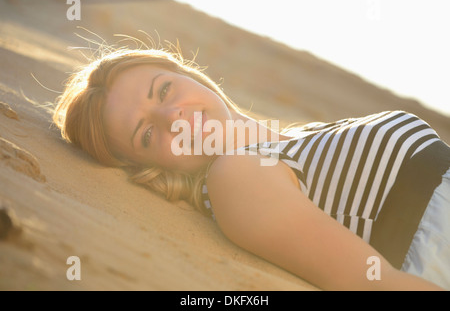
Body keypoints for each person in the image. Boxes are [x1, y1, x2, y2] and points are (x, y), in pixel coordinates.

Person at [52, 47, 449, 290]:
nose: (172, 116)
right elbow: (366, 281)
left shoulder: (286, 141)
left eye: (165, 90)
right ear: (147, 167)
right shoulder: (236, 175)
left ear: (187, 74)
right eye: (146, 135)